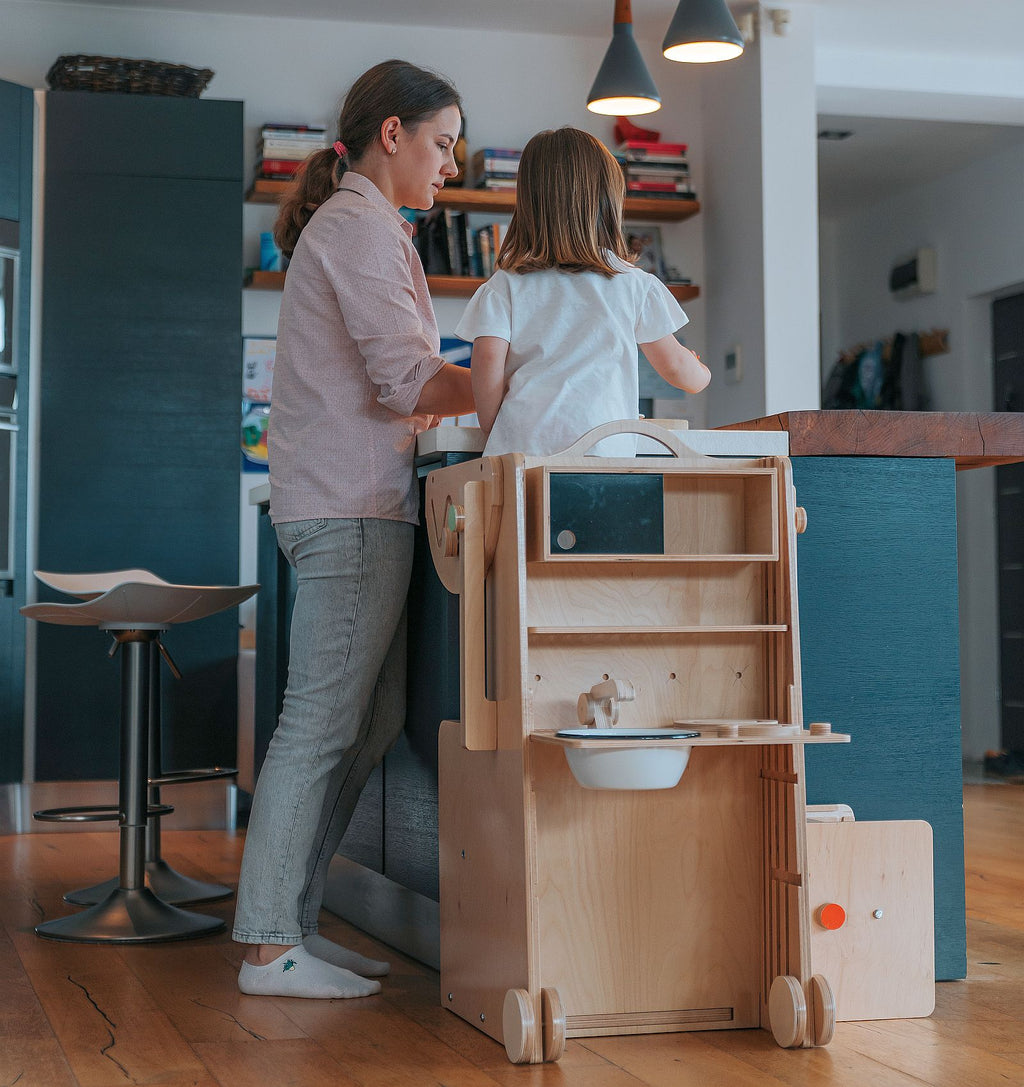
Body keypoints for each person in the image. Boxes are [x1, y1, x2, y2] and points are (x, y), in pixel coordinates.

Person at [232, 59, 473, 1000]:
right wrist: (509, 373)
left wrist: (441, 392)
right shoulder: (362, 230)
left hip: (346, 502)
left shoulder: (365, 229)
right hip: (349, 509)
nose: (449, 163)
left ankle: (287, 924)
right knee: (321, 725)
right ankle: (266, 946)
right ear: (391, 136)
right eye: (443, 142)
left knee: (364, 720)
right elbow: (411, 382)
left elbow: (390, 384)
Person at [455, 127, 710, 458]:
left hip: (523, 458)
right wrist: (699, 372)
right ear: (606, 203)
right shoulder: (633, 284)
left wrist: (500, 433)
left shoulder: (505, 286)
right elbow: (678, 370)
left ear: (528, 203)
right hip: (604, 457)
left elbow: (486, 372)